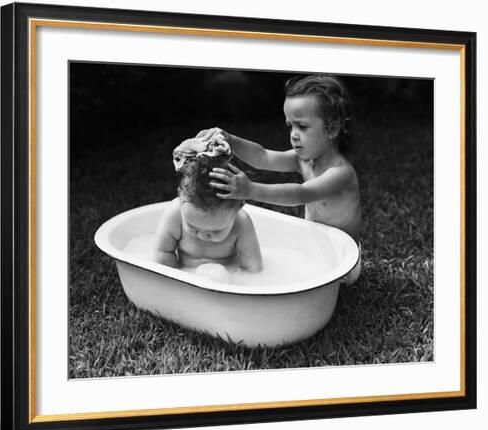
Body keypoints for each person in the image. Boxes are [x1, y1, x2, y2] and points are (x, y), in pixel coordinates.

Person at [198, 74, 362, 282]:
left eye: (302, 126)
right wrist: (230, 139)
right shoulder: (303, 159)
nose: (293, 134)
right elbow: (263, 156)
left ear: (332, 128)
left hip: (343, 260)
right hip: (315, 245)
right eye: (290, 126)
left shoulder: (340, 173)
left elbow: (301, 194)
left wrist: (252, 190)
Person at [153, 134, 263, 278]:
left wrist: (235, 283)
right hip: (185, 278)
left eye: (217, 231)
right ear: (180, 199)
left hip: (226, 280)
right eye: (192, 226)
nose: (203, 235)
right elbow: (163, 252)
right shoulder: (174, 215)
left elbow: (253, 268)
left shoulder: (242, 223)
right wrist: (176, 278)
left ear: (239, 206)